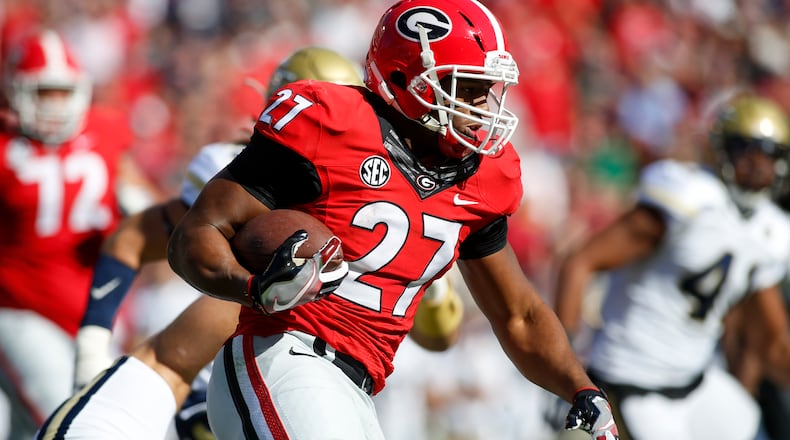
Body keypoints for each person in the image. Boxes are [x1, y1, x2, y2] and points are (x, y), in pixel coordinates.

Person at [167, 0, 620, 439]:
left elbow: (518, 315)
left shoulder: (484, 178)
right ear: (408, 78)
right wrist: (256, 289)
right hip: (280, 355)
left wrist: (578, 386)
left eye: (487, 91)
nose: (483, 108)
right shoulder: (329, 124)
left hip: (358, 389)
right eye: (466, 88)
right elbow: (197, 234)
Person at [36, 45, 464, 440]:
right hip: (182, 389)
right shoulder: (237, 170)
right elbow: (132, 240)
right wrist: (90, 354)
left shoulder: (387, 204)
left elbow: (439, 335)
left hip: (273, 389)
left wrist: (429, 265)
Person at [554, 93, 790, 440]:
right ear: (723, 150)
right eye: (747, 151)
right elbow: (581, 262)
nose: (758, 165)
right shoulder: (690, 199)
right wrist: (564, 376)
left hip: (696, 378)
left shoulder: (770, 228)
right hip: (633, 379)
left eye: (769, 156)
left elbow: (770, 340)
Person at [0, 28, 156, 439]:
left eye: (62, 92)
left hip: (96, 309)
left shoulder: (105, 131)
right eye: (45, 92)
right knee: (69, 419)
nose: (55, 105)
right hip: (20, 310)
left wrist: (137, 204)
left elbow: (141, 198)